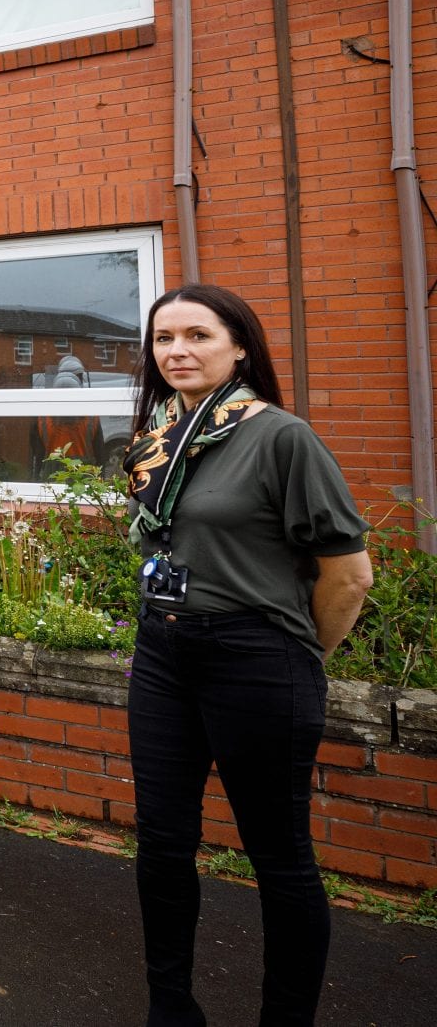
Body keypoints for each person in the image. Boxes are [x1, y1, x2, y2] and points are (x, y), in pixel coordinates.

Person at [123, 285, 373, 1027]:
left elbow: (349, 574)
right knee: (163, 844)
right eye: (164, 338)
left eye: (198, 334)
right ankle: (171, 1008)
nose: (177, 351)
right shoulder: (161, 434)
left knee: (279, 856)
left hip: (255, 658)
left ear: (239, 346)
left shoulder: (281, 437)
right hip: (164, 652)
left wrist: (294, 655)